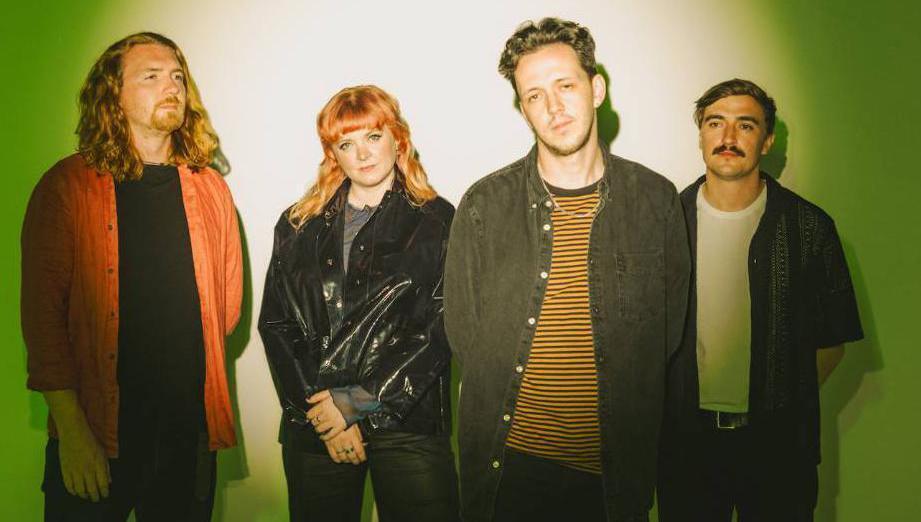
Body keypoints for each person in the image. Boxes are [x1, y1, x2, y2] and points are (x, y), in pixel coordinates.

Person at [444, 17, 691, 522]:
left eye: (565, 86)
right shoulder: (483, 205)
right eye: (534, 95)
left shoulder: (656, 201)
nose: (553, 107)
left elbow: (666, 337)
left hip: (612, 477)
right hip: (509, 471)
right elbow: (465, 336)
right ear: (523, 109)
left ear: (596, 89)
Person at [21, 32, 243, 520]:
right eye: (151, 76)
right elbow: (42, 324)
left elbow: (225, 313)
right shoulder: (67, 187)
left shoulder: (210, 189)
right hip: (97, 435)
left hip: (186, 438)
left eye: (178, 77)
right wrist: (73, 434)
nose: (172, 86)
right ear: (113, 95)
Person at [657, 78, 864, 521]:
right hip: (686, 450)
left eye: (746, 125)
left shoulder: (809, 228)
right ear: (700, 135)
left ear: (767, 140)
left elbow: (833, 343)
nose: (728, 137)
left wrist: (777, 400)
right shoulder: (664, 227)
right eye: (716, 123)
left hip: (778, 452)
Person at [259, 85, 459, 522]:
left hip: (406, 421)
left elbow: (441, 328)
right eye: (346, 143)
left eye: (372, 136)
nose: (363, 154)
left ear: (397, 138)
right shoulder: (297, 225)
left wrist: (355, 402)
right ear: (333, 154)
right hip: (317, 423)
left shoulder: (438, 221)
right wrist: (324, 415)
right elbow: (277, 324)